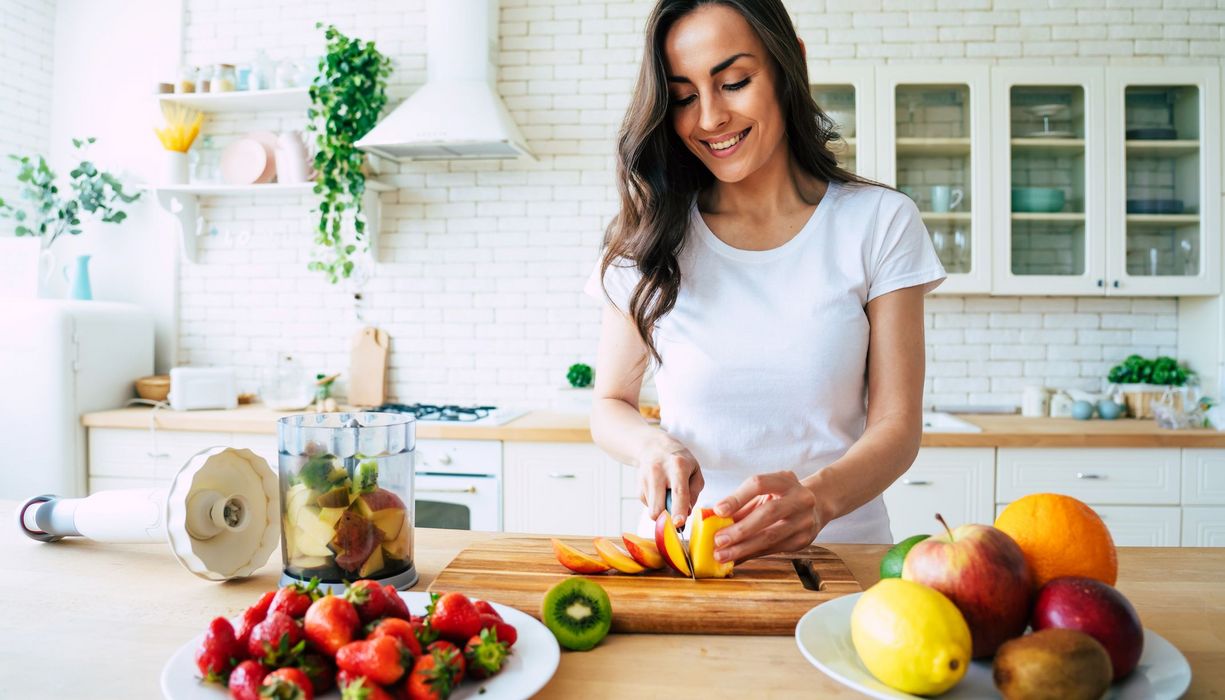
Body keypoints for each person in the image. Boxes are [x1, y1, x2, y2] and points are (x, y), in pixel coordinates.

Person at [583, 0, 946, 565]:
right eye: (683, 96)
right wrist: (652, 444)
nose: (709, 118)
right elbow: (609, 403)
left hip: (840, 560)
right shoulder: (650, 238)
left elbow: (897, 427)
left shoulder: (877, 223)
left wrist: (819, 502)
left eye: (733, 82)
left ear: (788, 66)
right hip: (686, 558)